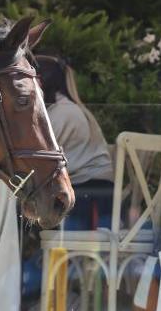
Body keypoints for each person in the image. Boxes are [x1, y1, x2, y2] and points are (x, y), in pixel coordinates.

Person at [35, 56, 112, 228]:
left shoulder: (63, 112)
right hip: (95, 185)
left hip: (89, 187)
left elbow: (40, 154)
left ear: (41, 81)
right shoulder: (64, 108)